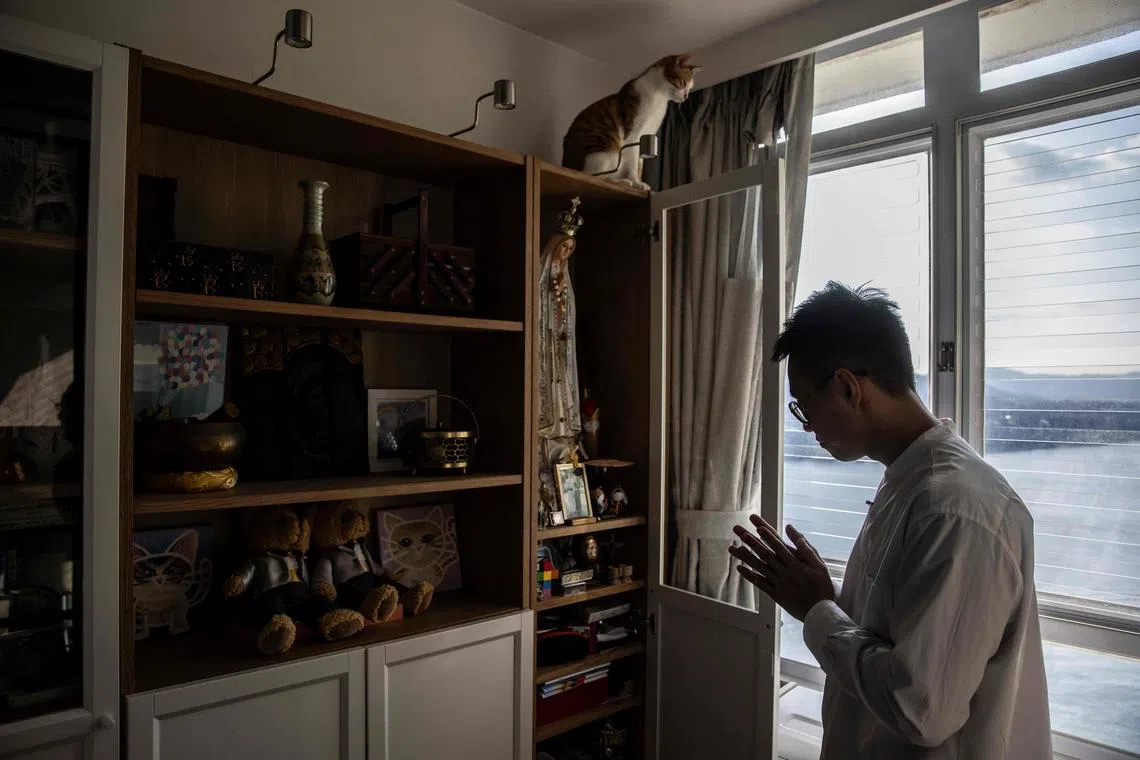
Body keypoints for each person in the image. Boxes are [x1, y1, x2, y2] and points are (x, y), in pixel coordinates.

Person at [730, 283, 1051, 759]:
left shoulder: (956, 509)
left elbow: (922, 710)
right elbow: (897, 636)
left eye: (804, 406)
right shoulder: (910, 482)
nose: (807, 426)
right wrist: (832, 600)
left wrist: (818, 611)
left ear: (847, 387)